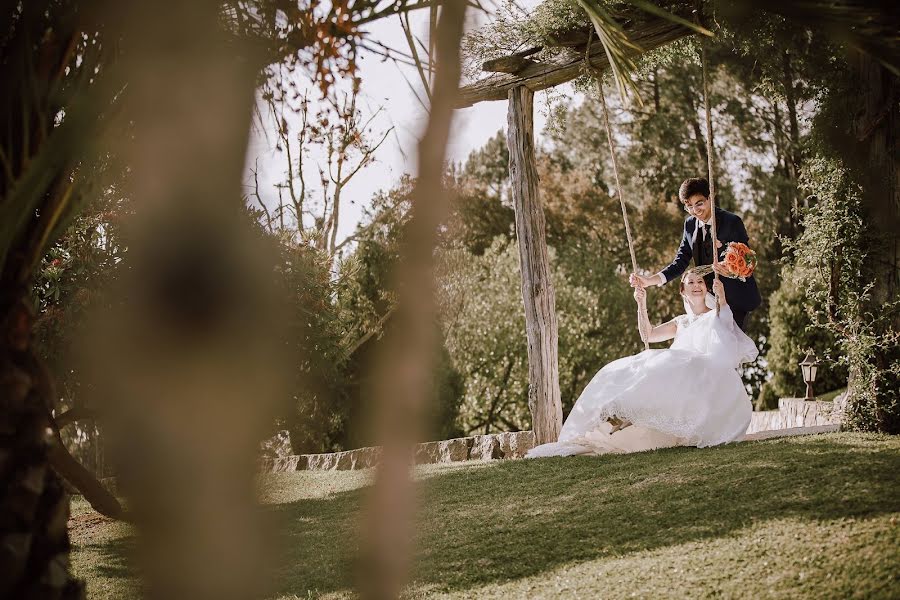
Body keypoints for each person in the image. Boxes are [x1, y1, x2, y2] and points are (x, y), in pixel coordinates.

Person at [526, 270, 757, 458]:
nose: (696, 285)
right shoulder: (681, 322)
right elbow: (648, 335)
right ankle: (620, 414)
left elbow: (727, 331)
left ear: (707, 288)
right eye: (690, 282)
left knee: (666, 361)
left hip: (702, 376)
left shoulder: (716, 314)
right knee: (631, 365)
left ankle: (627, 417)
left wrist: (723, 298)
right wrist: (641, 304)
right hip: (677, 381)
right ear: (683, 291)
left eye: (700, 282)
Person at [630, 177, 761, 331]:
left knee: (730, 350)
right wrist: (649, 281)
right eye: (689, 206)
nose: (695, 210)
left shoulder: (732, 221)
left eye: (699, 203)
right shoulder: (690, 224)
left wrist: (731, 271)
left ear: (710, 198)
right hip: (708, 301)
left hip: (736, 300)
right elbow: (680, 261)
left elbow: (748, 260)